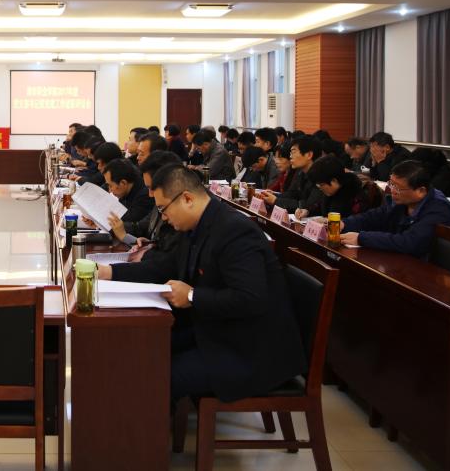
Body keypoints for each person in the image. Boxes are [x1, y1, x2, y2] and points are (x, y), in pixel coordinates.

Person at [97, 164, 306, 404]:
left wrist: (192, 296)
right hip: (216, 329)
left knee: (154, 374)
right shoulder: (198, 224)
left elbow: (250, 298)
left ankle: (145, 425)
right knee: (144, 349)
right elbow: (165, 266)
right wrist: (109, 272)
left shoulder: (235, 231)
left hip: (249, 348)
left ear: (187, 199)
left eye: (163, 209)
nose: (163, 217)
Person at [340, 160, 450, 259]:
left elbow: (409, 242)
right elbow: (376, 216)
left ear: (421, 191)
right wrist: (344, 224)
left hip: (433, 272)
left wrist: (361, 238)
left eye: (397, 188)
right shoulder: (403, 201)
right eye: (391, 184)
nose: (392, 191)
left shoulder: (439, 211)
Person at [259, 136, 323, 216]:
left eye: (293, 152)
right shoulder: (300, 172)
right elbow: (292, 194)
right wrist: (273, 195)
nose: (290, 156)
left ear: (309, 155)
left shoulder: (321, 177)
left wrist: (276, 201)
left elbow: (308, 206)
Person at [306, 155, 374, 218]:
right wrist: (307, 211)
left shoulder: (356, 197)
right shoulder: (332, 192)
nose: (320, 188)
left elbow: (355, 221)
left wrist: (329, 221)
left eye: (321, 184)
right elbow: (320, 205)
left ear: (334, 181)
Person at [102, 158, 155, 223]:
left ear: (123, 183)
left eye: (110, 186)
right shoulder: (126, 191)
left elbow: (126, 222)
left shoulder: (144, 197)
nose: (110, 191)